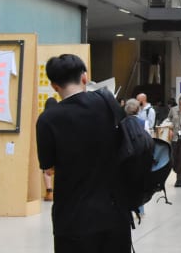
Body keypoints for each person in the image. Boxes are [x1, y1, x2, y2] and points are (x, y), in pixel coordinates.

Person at [35, 54, 130, 252]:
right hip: (114, 213)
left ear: (54, 86)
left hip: (72, 218)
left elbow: (48, 167)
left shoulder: (47, 119)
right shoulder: (107, 104)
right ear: (84, 77)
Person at [42, 96, 59, 201]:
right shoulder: (60, 117)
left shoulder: (44, 117)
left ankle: (49, 193)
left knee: (47, 172)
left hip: (48, 148)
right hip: (60, 149)